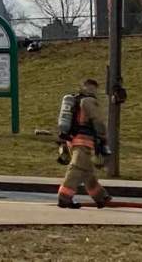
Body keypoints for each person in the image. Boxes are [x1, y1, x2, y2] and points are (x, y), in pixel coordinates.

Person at [57, 78, 112, 209]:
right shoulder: (90, 101)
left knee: (86, 170)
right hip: (84, 141)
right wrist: (103, 137)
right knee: (76, 169)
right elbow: (98, 121)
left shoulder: (74, 100)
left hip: (72, 140)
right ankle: (64, 197)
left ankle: (100, 197)